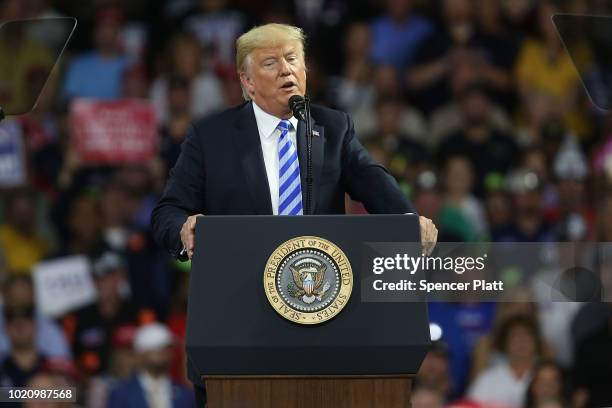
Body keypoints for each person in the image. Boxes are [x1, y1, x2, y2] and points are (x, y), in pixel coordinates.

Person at [151, 23, 438, 405]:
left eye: (292, 60)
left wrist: (408, 222)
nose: (286, 70)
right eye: (271, 63)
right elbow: (167, 212)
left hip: (326, 319)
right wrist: (184, 229)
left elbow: (373, 181)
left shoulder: (334, 128)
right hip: (240, 326)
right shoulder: (211, 137)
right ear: (247, 81)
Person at [108, 322, 194, 408]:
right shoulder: (121, 394)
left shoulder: (186, 394)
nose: (162, 352)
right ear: (140, 353)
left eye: (167, 348)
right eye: (156, 347)